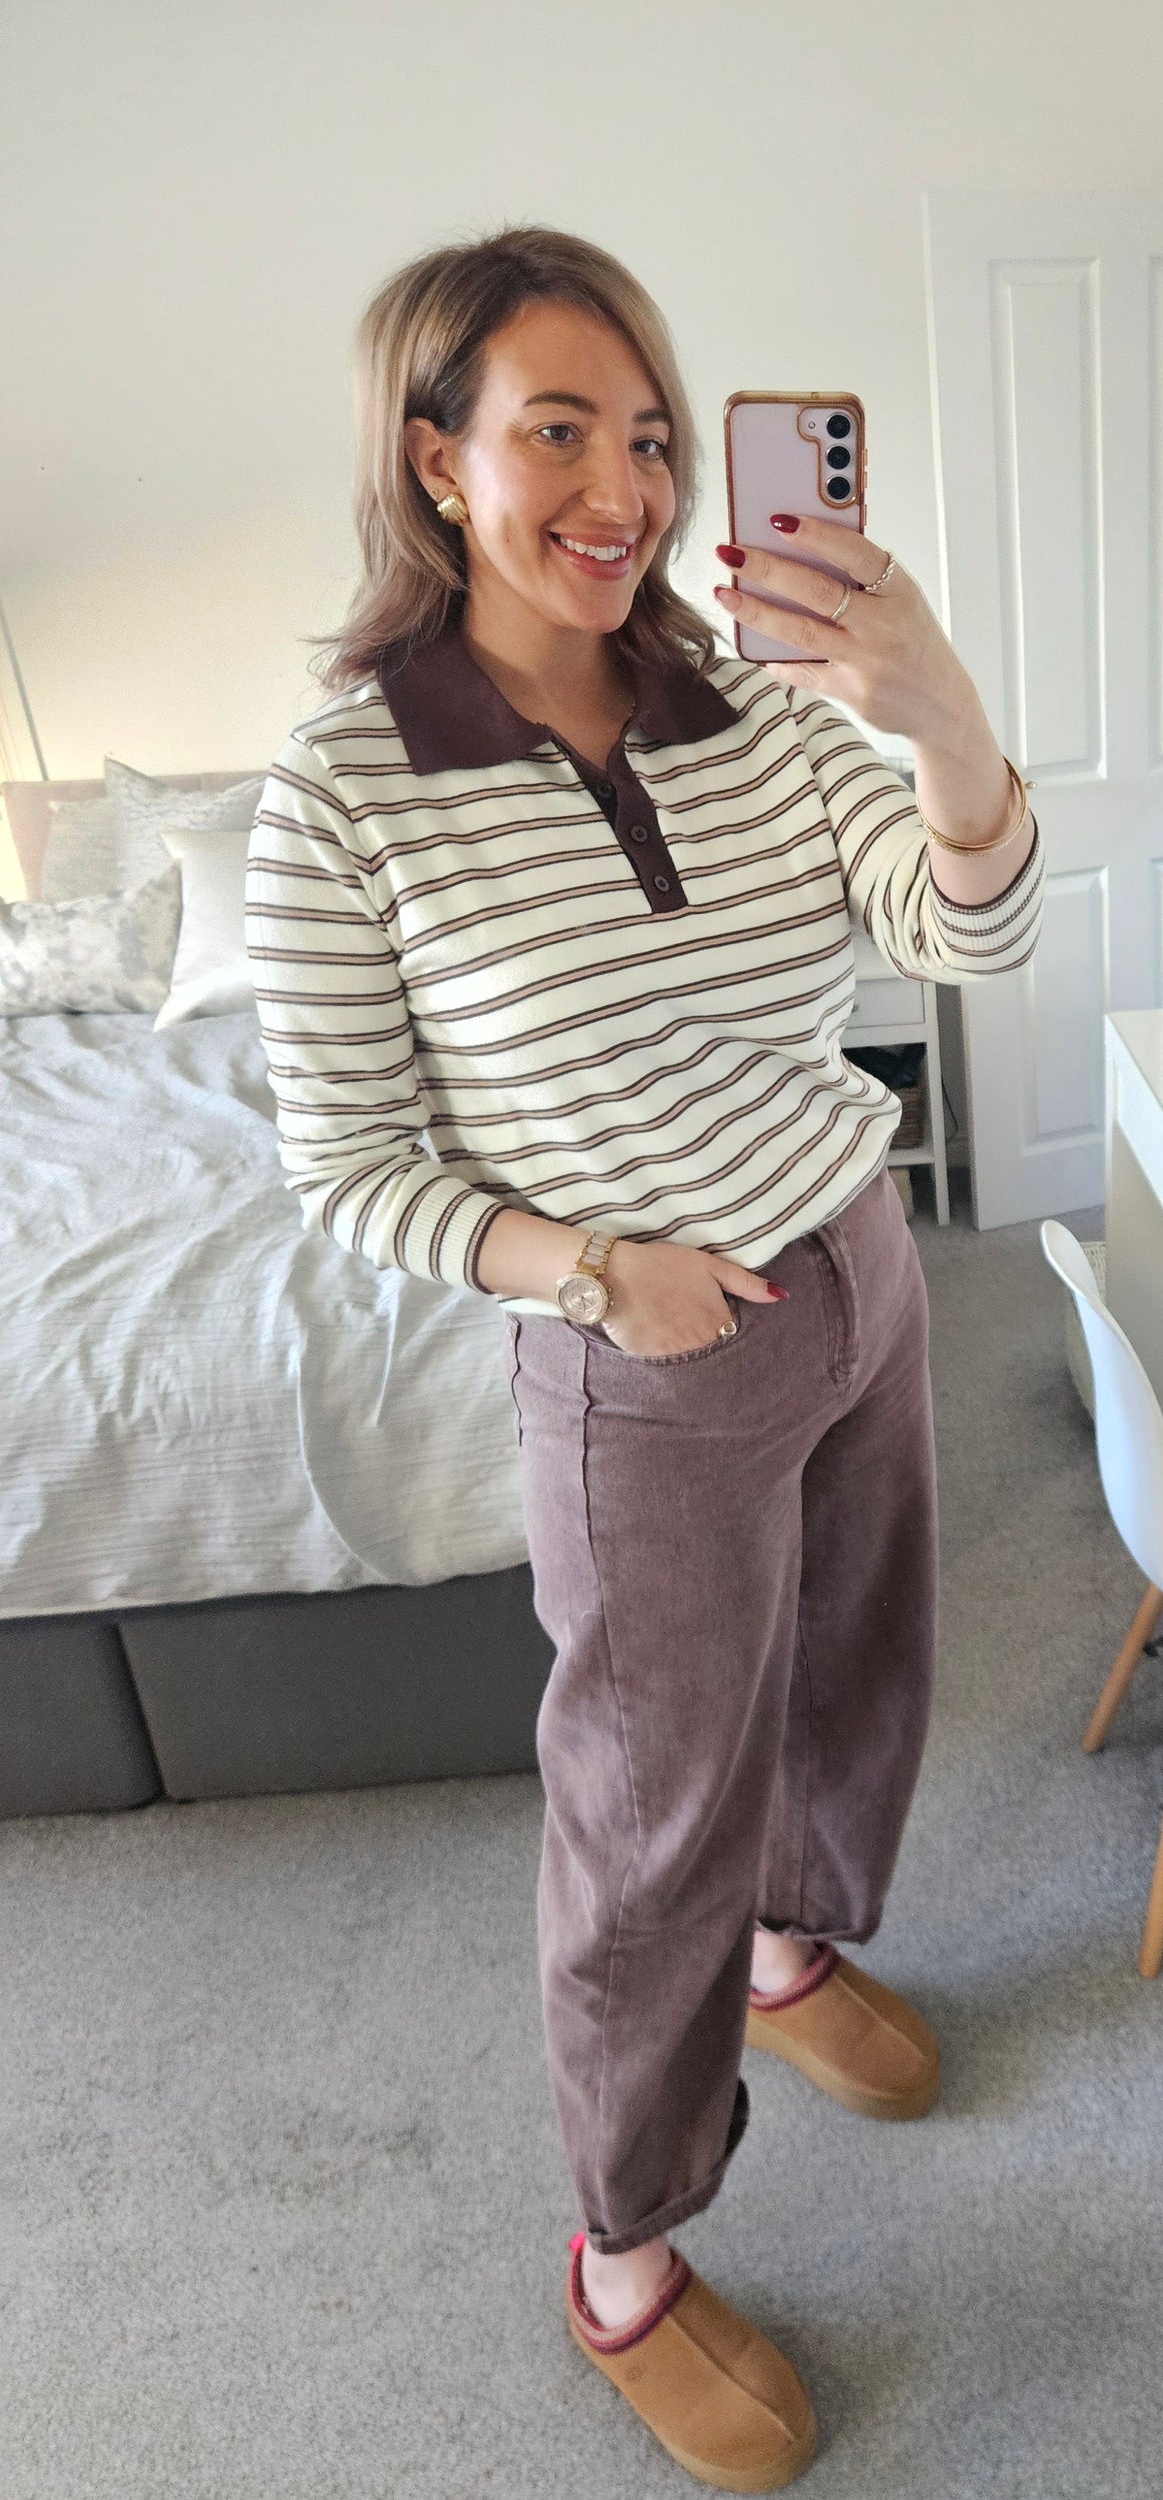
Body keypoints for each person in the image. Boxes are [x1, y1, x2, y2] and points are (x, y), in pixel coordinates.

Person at [244, 224, 1044, 2492]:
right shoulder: (343, 790)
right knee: (647, 1817)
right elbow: (346, 1165)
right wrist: (596, 1268)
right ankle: (622, 2254)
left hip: (860, 1263)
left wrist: (939, 706)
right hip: (647, 1352)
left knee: (862, 1668)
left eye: (654, 437)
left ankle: (796, 1957)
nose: (623, 490)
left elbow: (970, 925)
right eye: (557, 432)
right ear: (438, 460)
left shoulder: (754, 716)